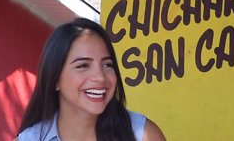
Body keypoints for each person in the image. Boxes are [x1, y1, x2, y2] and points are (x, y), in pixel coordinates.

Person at [15, 17, 166, 141]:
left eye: (107, 64)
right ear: (55, 79)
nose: (100, 77)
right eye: (83, 66)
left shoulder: (143, 134)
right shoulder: (30, 139)